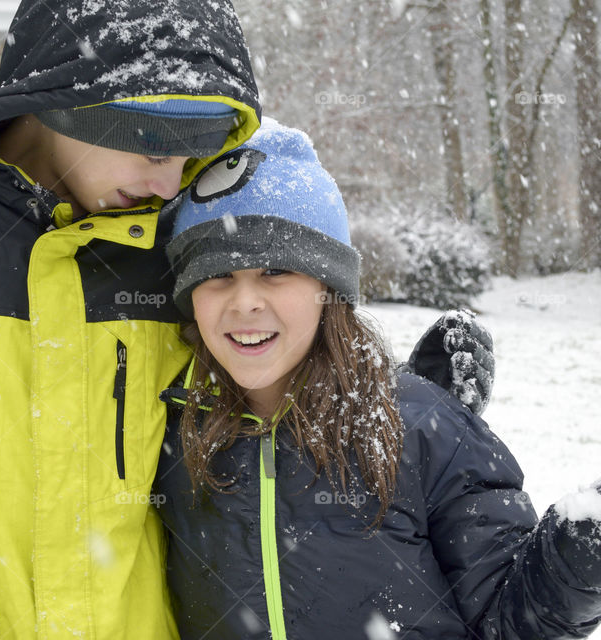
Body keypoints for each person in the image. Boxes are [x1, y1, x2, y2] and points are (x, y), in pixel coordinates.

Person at [0, 1, 490, 637]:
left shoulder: (176, 236)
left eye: (198, 147)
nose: (170, 176)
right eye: (151, 139)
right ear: (50, 97)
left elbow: (250, 400)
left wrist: (378, 409)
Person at [154, 118, 601, 639]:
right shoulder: (173, 434)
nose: (245, 301)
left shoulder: (423, 430)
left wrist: (580, 553)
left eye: (275, 272)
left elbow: (511, 620)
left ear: (329, 288)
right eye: (217, 276)